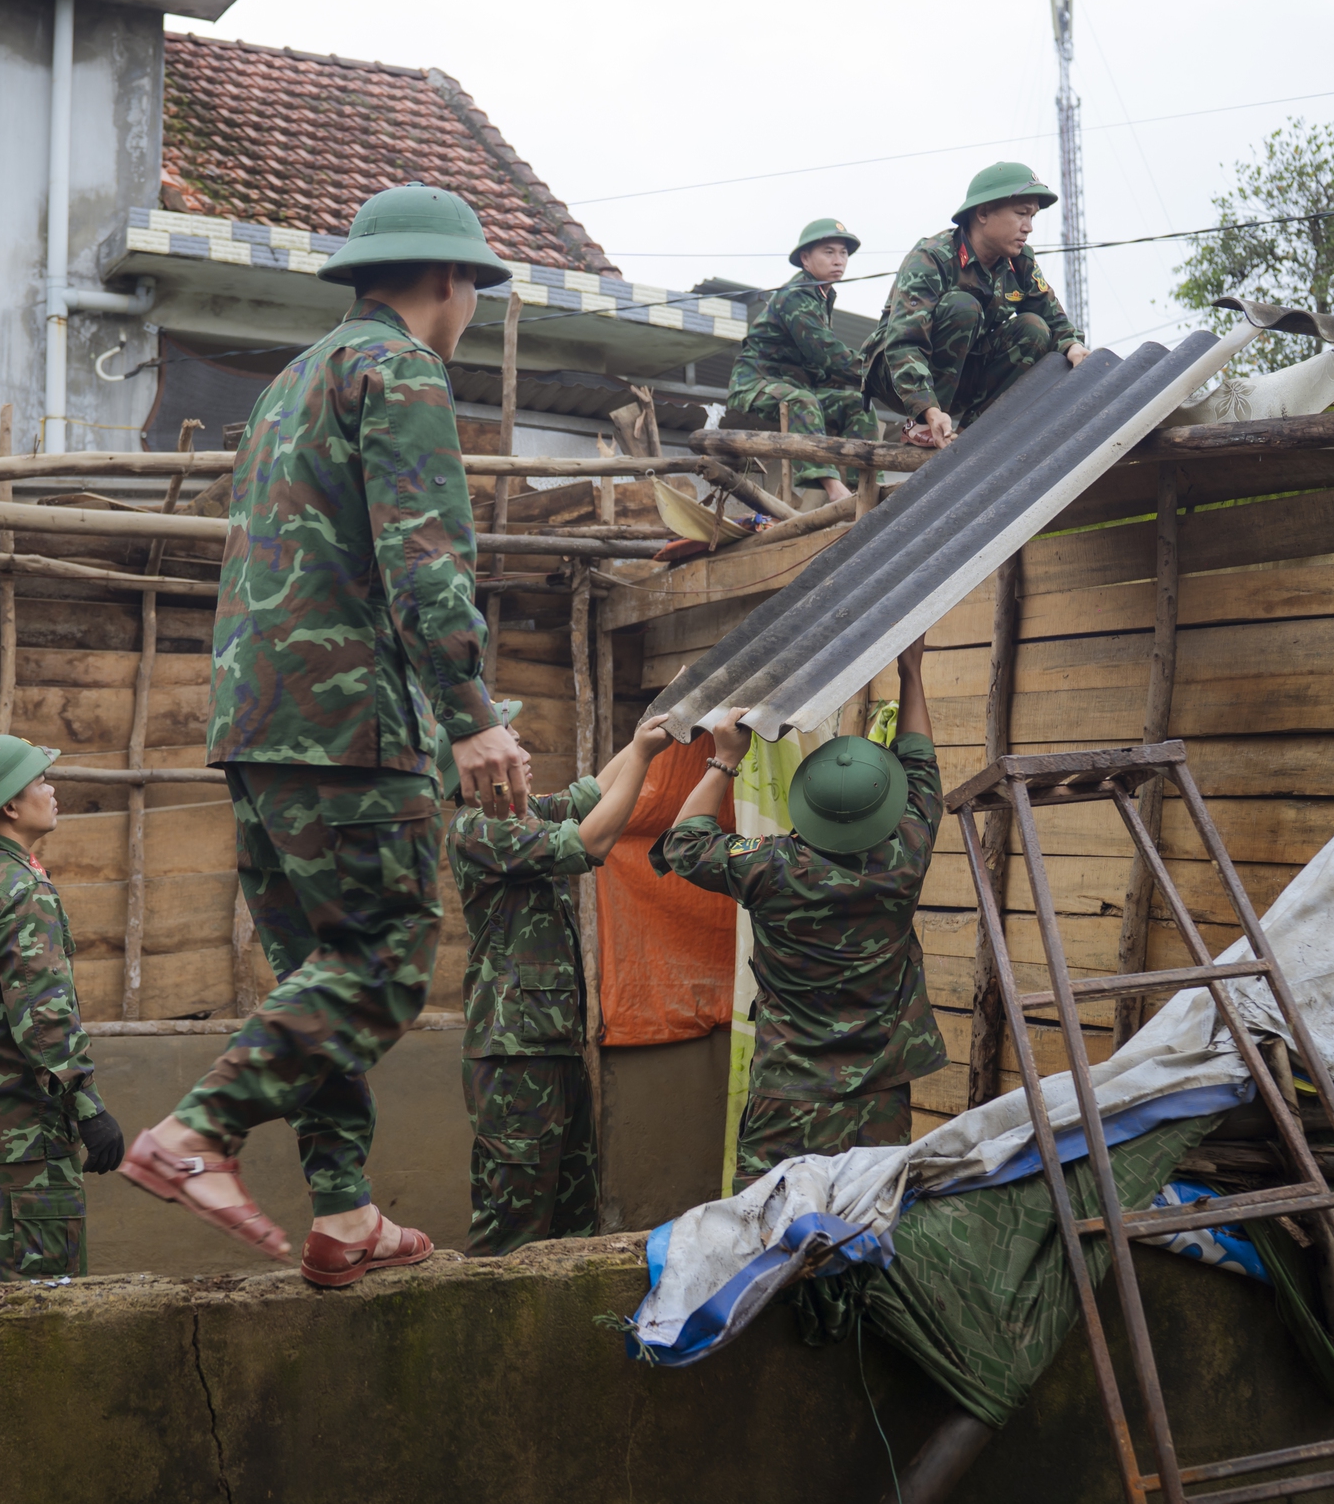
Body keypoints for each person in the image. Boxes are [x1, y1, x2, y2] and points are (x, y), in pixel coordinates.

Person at [124, 182, 531, 1290]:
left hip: (256, 725)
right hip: (350, 722)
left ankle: (344, 1213)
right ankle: (195, 1133)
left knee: (317, 972)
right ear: (454, 282)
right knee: (385, 959)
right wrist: (473, 720)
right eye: (476, 288)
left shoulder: (290, 384)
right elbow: (423, 557)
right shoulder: (401, 372)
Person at [654, 640, 945, 1183]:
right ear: (885, 806)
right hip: (879, 1095)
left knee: (768, 1226)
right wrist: (911, 671)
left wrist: (724, 757)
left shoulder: (773, 868)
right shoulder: (906, 853)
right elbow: (921, 762)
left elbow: (685, 845)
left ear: (806, 806)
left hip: (790, 1094)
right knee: (869, 1218)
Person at [448, 705, 672, 1256]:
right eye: (512, 748)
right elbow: (591, 842)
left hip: (551, 1049)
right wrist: (644, 754)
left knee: (572, 1222)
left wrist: (646, 729)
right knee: (513, 1227)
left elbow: (589, 795)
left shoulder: (523, 816)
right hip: (514, 1058)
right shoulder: (478, 829)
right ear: (473, 774)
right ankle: (488, 1338)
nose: (524, 755)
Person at [0, 733, 123, 1285]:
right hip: (22, 1147)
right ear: (10, 804)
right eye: (40, 781)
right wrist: (89, 1107)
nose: (52, 790)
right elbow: (42, 1015)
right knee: (45, 1325)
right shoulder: (21, 887)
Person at [863, 163, 1088, 449]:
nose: (1029, 227)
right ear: (982, 213)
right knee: (963, 307)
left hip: (961, 376)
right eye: (1021, 214)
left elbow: (1053, 319)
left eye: (1032, 216)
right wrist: (928, 408)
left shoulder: (1020, 262)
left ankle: (973, 435)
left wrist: (1073, 346)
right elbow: (904, 343)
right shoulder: (932, 258)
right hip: (897, 378)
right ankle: (920, 424)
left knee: (1034, 329)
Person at [727, 218, 880, 507]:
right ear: (805, 259)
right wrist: (876, 373)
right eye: (829, 252)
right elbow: (826, 353)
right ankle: (834, 489)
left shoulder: (822, 293)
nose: (839, 260)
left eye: (844, 253)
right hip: (756, 385)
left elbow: (820, 365)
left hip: (793, 384)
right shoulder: (797, 295)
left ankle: (868, 486)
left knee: (856, 406)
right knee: (803, 401)